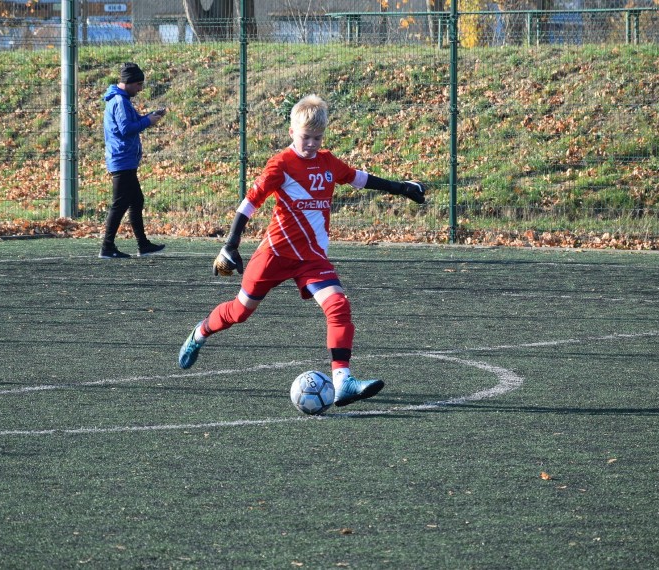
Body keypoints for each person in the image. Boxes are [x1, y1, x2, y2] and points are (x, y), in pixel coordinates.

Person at [177, 94, 426, 407]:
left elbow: (360, 179)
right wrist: (231, 245)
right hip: (275, 256)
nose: (311, 144)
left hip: (311, 259)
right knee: (240, 312)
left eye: (317, 138)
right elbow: (249, 204)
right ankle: (199, 333)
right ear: (292, 132)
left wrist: (402, 188)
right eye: (306, 137)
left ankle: (343, 381)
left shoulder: (327, 162)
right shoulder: (281, 165)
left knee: (338, 306)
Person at [99, 62, 166, 259]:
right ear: (128, 82)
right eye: (138, 84)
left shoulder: (122, 100)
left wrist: (150, 116)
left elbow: (133, 122)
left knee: (136, 200)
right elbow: (126, 128)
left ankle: (143, 244)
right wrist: (148, 121)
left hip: (125, 159)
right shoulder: (120, 102)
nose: (140, 88)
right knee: (119, 204)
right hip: (121, 159)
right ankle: (106, 247)